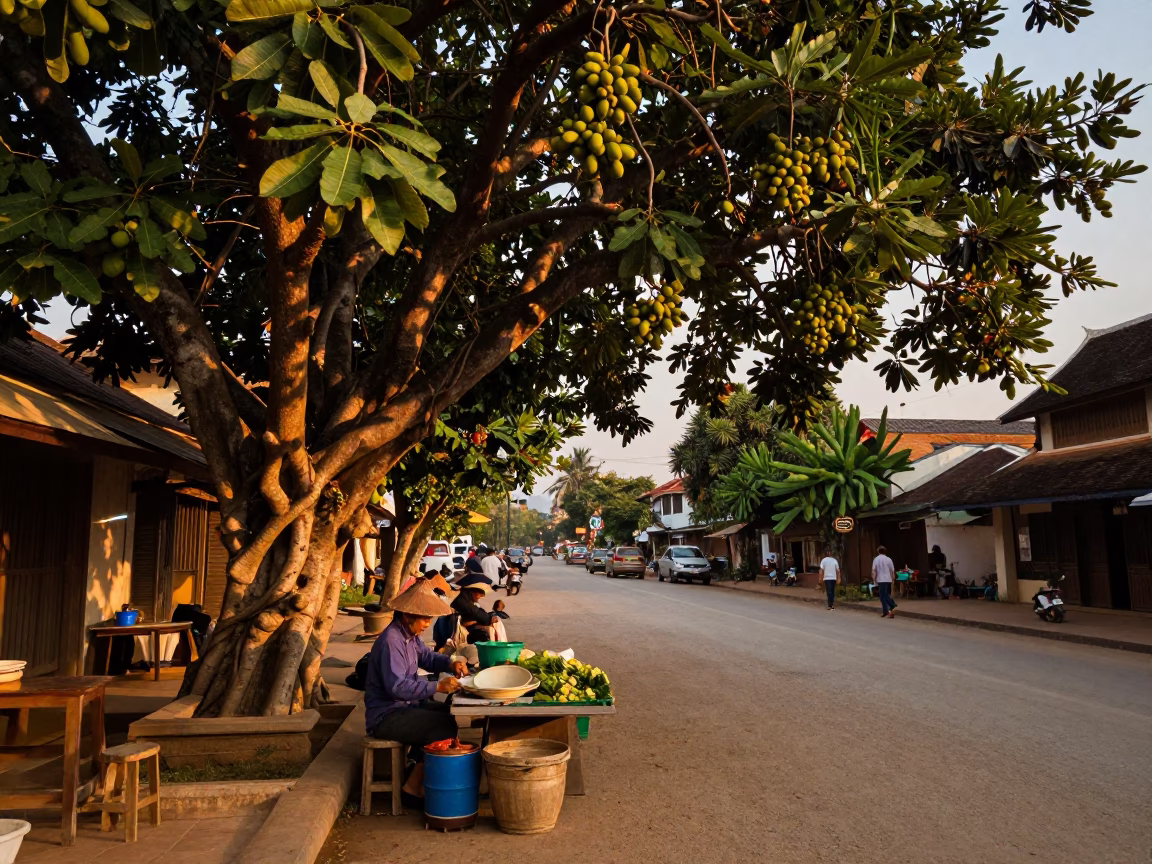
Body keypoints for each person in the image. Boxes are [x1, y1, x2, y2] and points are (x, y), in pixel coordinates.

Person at [365, 578, 467, 805]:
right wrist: (437, 686)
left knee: (445, 712)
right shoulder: (392, 641)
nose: (428, 624)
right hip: (386, 716)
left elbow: (428, 657)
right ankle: (413, 789)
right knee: (443, 726)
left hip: (405, 708)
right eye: (425, 619)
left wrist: (450, 663)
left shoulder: (410, 637)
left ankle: (417, 768)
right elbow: (398, 688)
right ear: (408, 615)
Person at [452, 573, 497, 643]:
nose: (480, 597)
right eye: (479, 594)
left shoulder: (466, 599)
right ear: (472, 592)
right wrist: (489, 619)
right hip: (462, 629)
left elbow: (477, 611)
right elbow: (475, 612)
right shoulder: (462, 601)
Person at [872, 545, 897, 618]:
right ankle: (886, 611)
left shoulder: (876, 559)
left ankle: (892, 605)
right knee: (885, 595)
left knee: (883, 596)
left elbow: (874, 571)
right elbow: (892, 570)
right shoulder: (888, 559)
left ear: (878, 551)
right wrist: (893, 578)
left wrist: (874, 579)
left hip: (880, 580)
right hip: (888, 579)